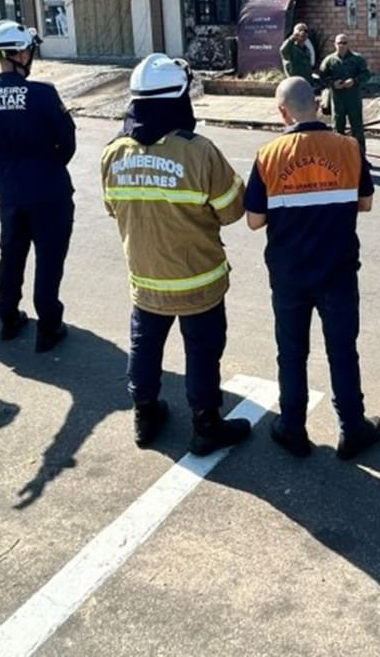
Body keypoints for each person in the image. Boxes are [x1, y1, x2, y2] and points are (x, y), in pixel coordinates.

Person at [101, 53, 252, 456]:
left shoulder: (113, 152)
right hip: (198, 279)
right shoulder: (199, 151)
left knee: (144, 346)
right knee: (202, 350)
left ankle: (145, 415)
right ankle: (206, 425)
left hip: (146, 280)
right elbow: (232, 210)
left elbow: (113, 208)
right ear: (179, 99)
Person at [244, 76, 380, 460]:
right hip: (338, 271)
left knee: (291, 352)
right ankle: (352, 428)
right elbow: (366, 203)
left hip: (289, 274)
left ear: (282, 112)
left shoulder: (268, 155)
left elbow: (254, 221)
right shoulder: (348, 148)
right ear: (319, 105)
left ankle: (292, 427)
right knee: (343, 351)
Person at [0, 21, 76, 353]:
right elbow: (67, 141)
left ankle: (8, 317)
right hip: (48, 184)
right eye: (29, 50)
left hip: (7, 183)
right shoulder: (43, 93)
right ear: (20, 54)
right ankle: (49, 325)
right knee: (49, 256)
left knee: (12, 251)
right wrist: (49, 163)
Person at [318, 33, 369, 152]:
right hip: (338, 100)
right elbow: (322, 76)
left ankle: (360, 154)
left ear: (348, 44)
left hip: (353, 99)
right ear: (335, 44)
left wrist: (354, 81)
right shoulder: (329, 60)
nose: (341, 45)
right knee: (337, 128)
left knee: (357, 127)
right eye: (339, 43)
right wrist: (333, 83)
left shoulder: (357, 59)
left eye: (344, 43)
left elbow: (366, 74)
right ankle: (338, 155)